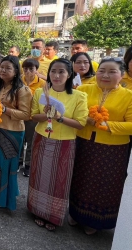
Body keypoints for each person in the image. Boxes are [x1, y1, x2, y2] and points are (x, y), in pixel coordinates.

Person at [68, 58, 132, 235]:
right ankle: (75, 214)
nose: (105, 75)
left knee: (104, 185)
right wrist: (86, 119)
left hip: (111, 149)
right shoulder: (84, 90)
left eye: (112, 71)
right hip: (83, 143)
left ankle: (95, 222)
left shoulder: (131, 97)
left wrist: (107, 125)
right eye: (102, 71)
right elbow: (71, 111)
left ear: (122, 74)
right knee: (78, 179)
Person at [27, 58, 88, 231]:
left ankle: (53, 216)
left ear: (69, 75)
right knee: (39, 176)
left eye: (61, 72)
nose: (56, 75)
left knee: (59, 180)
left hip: (65, 142)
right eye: (53, 71)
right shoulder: (41, 93)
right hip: (41, 138)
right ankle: (37, 210)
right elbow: (33, 116)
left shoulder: (78, 96)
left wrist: (59, 117)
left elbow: (81, 123)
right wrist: (46, 115)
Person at [0, 56, 32, 209]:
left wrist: (5, 110)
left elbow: (26, 114)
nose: (3, 70)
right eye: (2, 67)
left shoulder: (22, 90)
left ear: (16, 71)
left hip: (12, 132)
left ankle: (5, 196)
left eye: (8, 68)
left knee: (6, 164)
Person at [20, 58, 46, 177]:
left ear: (37, 70)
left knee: (30, 142)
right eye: (26, 69)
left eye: (31, 69)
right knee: (20, 140)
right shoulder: (20, 80)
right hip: (19, 115)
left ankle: (28, 165)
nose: (28, 71)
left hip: (32, 118)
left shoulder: (42, 83)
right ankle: (19, 161)